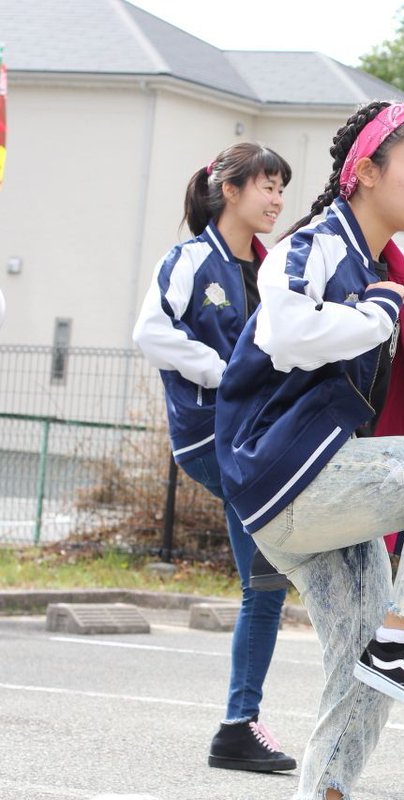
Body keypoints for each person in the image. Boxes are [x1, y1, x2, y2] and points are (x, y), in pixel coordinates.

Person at [214, 101, 404, 800]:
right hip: (287, 476)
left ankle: (329, 788)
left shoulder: (395, 269)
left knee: (361, 673)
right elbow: (284, 331)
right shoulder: (314, 247)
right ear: (367, 172)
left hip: (329, 492)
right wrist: (378, 314)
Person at [131, 142, 296, 772]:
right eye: (268, 187)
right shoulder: (192, 259)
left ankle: (238, 726)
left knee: (270, 581)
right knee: (274, 577)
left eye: (282, 189)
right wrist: (221, 372)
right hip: (211, 437)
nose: (277, 200)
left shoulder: (273, 265)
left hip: (257, 438)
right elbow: (150, 330)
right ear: (229, 189)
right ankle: (238, 725)